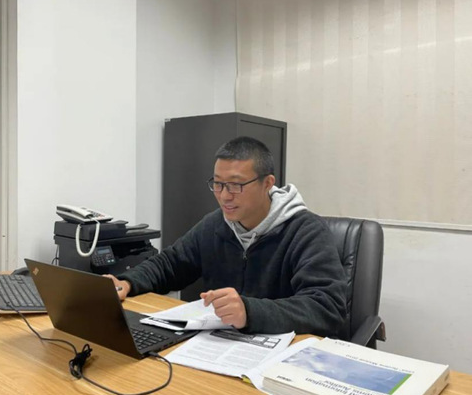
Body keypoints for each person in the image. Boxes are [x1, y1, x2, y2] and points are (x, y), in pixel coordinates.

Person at [107, 136, 347, 336]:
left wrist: (249, 312)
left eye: (235, 185)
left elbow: (327, 308)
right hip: (223, 346)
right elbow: (170, 264)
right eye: (218, 184)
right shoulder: (215, 224)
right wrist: (127, 283)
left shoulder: (305, 231)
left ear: (267, 183)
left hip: (282, 354)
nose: (224, 196)